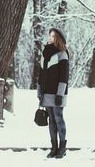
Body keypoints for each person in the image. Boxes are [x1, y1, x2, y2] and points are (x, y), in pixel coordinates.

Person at [37, 28, 69, 159]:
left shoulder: (62, 54)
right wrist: (39, 91)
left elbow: (64, 76)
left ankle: (62, 147)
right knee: (51, 120)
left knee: (58, 118)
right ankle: (53, 147)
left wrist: (60, 94)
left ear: (58, 38)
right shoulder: (45, 54)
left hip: (57, 93)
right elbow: (41, 74)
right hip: (46, 92)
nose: (50, 38)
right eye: (49, 35)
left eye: (53, 36)